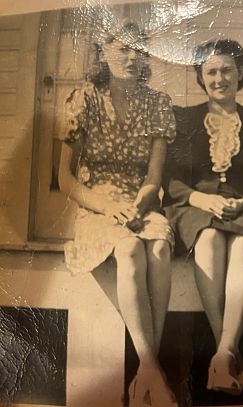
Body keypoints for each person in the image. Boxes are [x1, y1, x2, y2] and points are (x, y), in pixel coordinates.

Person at [58, 21, 177, 407]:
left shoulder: (157, 104)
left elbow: (154, 178)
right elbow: (64, 179)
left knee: (159, 244)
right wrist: (110, 207)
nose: (131, 57)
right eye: (122, 49)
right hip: (97, 206)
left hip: (140, 202)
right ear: (103, 52)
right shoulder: (84, 99)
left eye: (138, 50)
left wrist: (140, 204)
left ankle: (146, 373)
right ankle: (152, 370)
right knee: (129, 249)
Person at [163, 39, 243, 396]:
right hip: (195, 207)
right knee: (210, 238)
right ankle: (229, 354)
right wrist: (201, 198)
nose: (220, 78)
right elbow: (171, 178)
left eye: (227, 70)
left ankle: (223, 353)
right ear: (200, 77)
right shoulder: (183, 120)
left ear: (241, 72)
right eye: (211, 71)